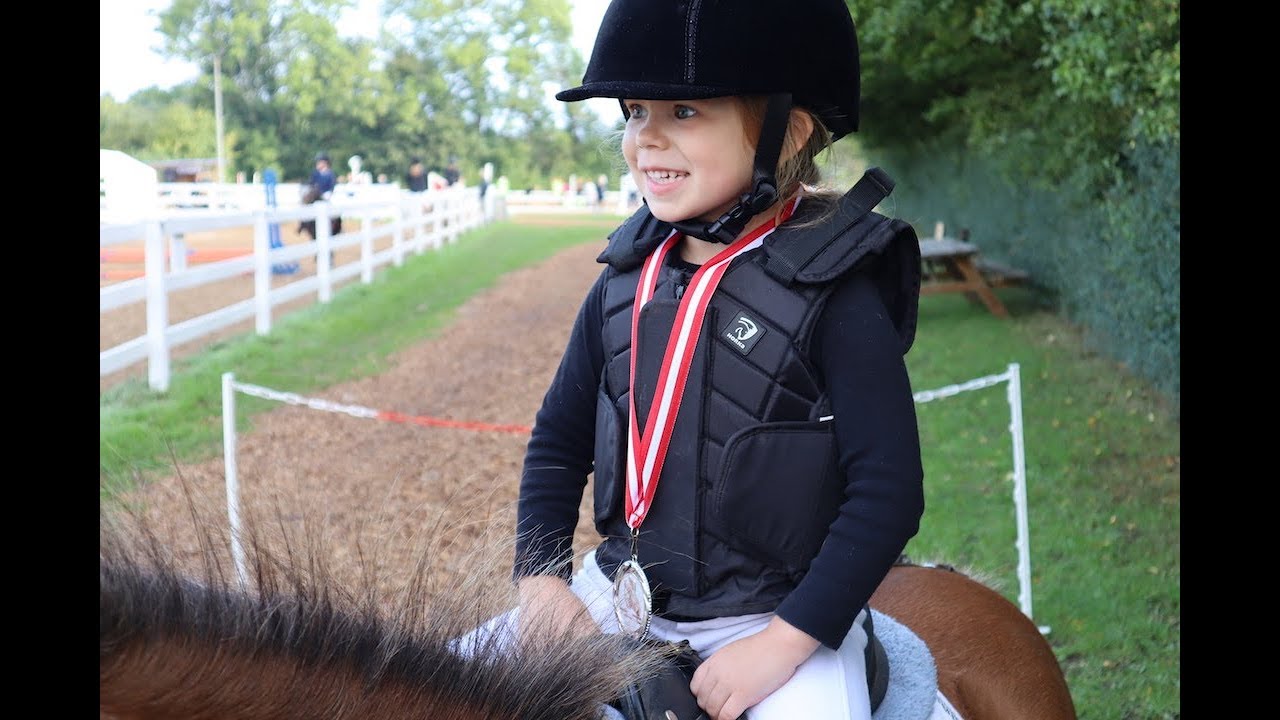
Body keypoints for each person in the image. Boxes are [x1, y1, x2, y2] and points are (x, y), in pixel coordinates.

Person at [462, 2, 925, 720]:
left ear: (788, 129)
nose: (646, 138)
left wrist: (782, 643)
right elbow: (557, 443)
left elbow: (887, 493)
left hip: (773, 621)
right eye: (635, 111)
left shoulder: (840, 295)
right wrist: (543, 583)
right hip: (615, 594)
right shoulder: (621, 280)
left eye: (682, 111)